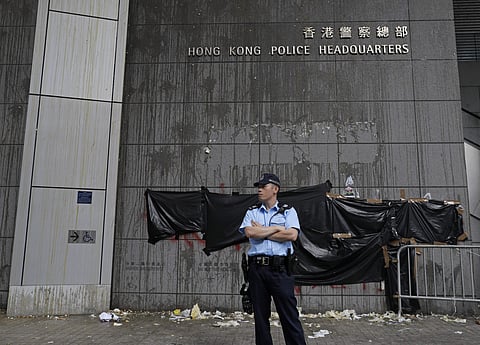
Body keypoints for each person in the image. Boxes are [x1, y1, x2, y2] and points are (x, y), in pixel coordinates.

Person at [239, 173, 306, 345]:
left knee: (289, 316)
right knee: (261, 318)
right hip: (257, 270)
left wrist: (264, 231)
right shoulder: (252, 212)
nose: (259, 190)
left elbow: (292, 235)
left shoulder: (288, 211)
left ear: (275, 189)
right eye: (258, 187)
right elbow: (250, 232)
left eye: (263, 186)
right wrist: (276, 228)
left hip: (280, 270)